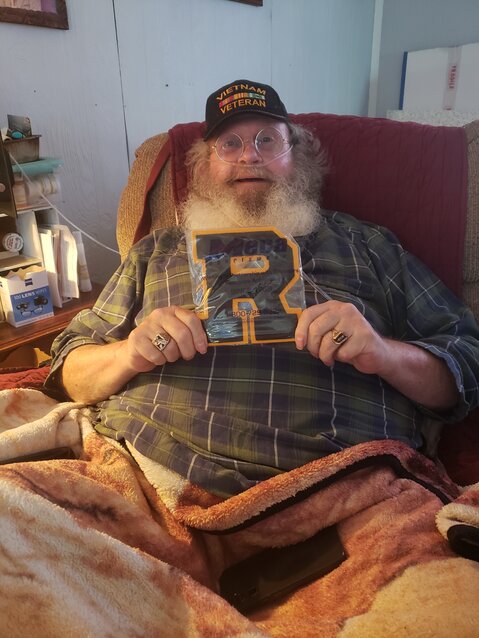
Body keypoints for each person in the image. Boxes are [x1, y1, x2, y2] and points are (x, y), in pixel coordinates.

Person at [46, 79, 479, 498]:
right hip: (146, 471)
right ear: (202, 167)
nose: (249, 156)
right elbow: (69, 366)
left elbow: (467, 361)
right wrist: (128, 353)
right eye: (228, 144)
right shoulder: (157, 250)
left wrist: (384, 354)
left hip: (344, 485)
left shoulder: (368, 244)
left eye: (268, 140)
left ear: (299, 157)